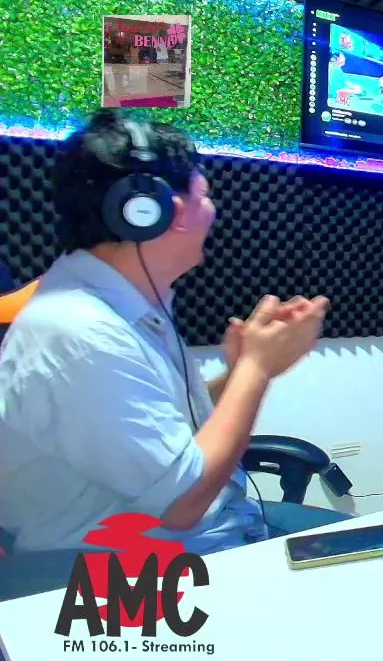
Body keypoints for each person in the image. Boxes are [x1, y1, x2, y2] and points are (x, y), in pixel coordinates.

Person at [0, 110, 342, 567]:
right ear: (164, 212)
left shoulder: (124, 304)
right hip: (139, 571)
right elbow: (181, 504)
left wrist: (239, 372)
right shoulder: (82, 335)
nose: (212, 211)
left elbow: (167, 430)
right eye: (205, 195)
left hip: (214, 530)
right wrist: (256, 370)